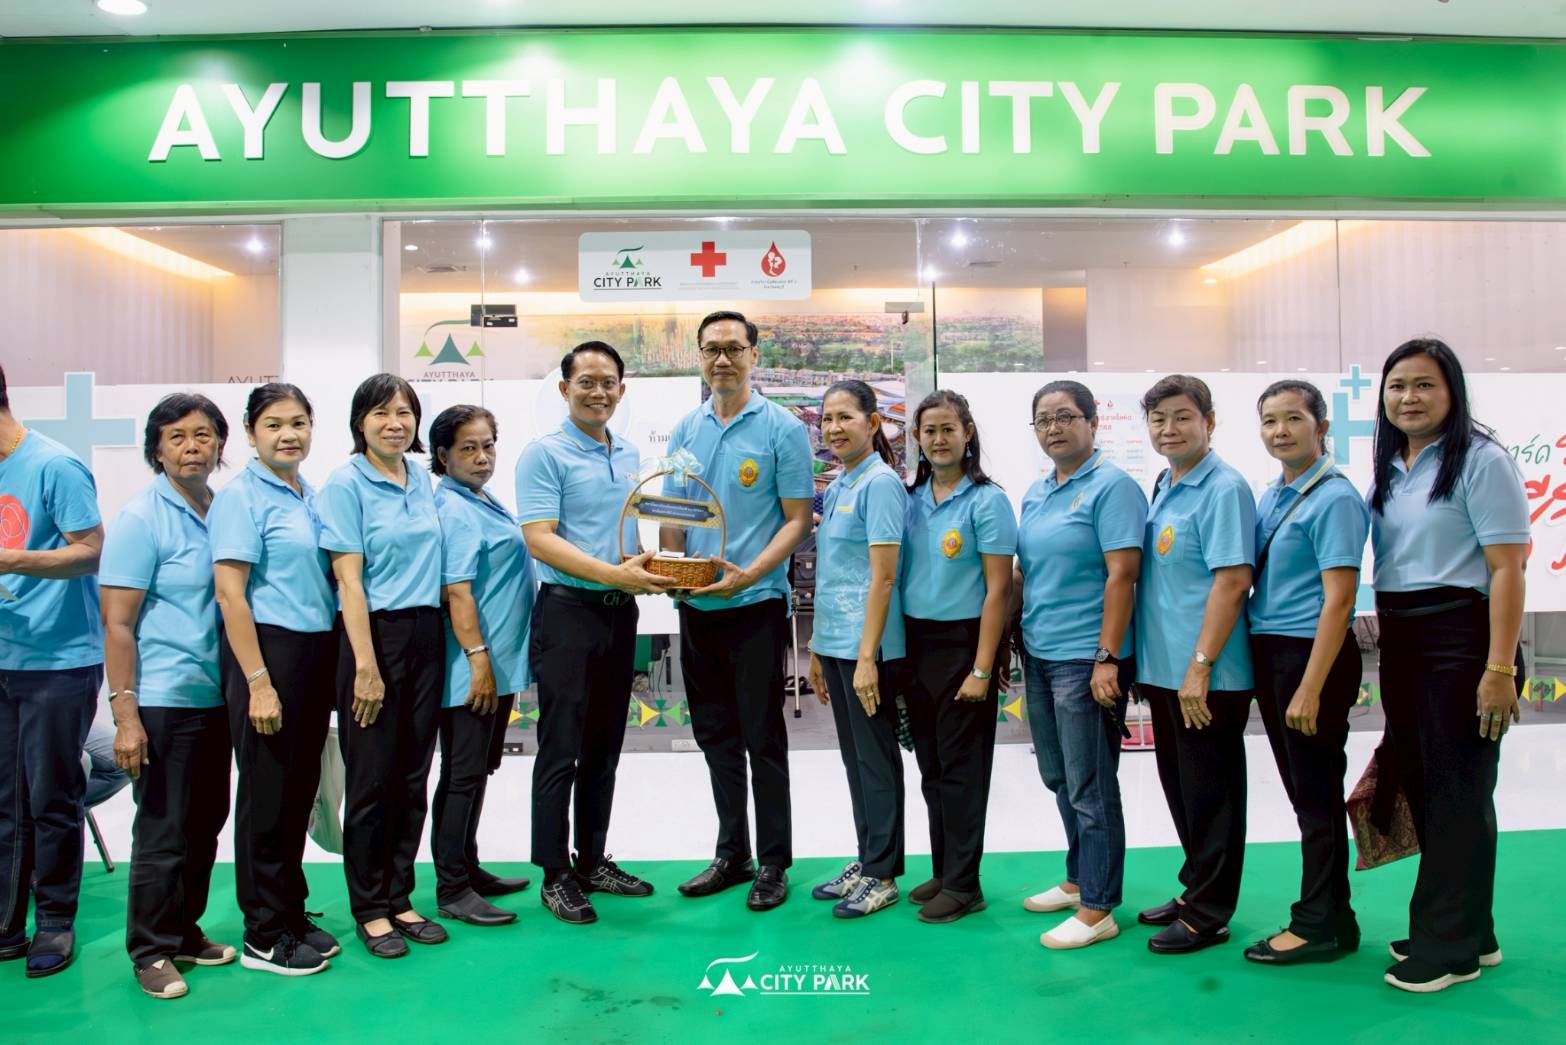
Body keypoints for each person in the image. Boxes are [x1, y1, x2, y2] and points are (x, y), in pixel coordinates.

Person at [1369, 339, 1528, 993]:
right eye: (1397, 385)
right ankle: (1471, 930)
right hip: (1403, 638)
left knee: (1458, 790)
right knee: (1432, 788)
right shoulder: (1394, 465)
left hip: (1463, 639)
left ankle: (1449, 950)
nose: (1409, 397)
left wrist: (1499, 668)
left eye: (1424, 384)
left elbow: (1507, 568)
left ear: (1452, 391)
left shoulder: (1482, 460)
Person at [661, 311, 812, 913]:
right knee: (715, 735)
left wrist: (752, 573)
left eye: (732, 348)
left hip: (755, 605)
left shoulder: (781, 428)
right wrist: (672, 570)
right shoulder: (685, 429)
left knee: (761, 736)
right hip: (697, 607)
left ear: (754, 354)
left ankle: (774, 862)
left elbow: (797, 519)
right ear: (699, 357)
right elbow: (674, 512)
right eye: (710, 350)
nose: (721, 359)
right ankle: (733, 855)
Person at [518, 341, 672, 925]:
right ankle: (555, 874)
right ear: (564, 389)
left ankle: (592, 861)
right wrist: (614, 574)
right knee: (561, 747)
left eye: (608, 382)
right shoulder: (544, 454)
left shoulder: (628, 452)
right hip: (567, 614)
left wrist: (647, 566)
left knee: (605, 746)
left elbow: (623, 534)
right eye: (586, 381)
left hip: (618, 613)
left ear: (622, 390)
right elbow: (540, 538)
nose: (598, 392)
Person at [101, 393, 237, 999]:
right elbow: (118, 624)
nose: (191, 447)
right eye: (177, 437)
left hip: (217, 697)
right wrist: (126, 713)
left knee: (206, 823)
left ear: (220, 444)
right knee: (162, 829)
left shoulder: (222, 509)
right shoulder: (141, 517)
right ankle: (150, 950)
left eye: (203, 435)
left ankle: (184, 930)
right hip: (162, 700)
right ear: (157, 449)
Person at [210, 383, 339, 976]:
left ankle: (290, 910)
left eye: (299, 423)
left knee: (297, 792)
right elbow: (230, 595)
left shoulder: (309, 494)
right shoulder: (241, 497)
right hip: (267, 654)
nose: (289, 435)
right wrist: (259, 682)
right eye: (274, 424)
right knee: (266, 795)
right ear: (250, 432)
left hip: (313, 652)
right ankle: (263, 932)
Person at [317, 374, 446, 959]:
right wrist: (366, 666)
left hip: (426, 634)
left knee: (413, 777)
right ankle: (369, 908)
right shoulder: (345, 484)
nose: (395, 424)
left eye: (404, 413)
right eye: (380, 413)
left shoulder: (422, 479)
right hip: (372, 637)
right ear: (359, 422)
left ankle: (400, 895)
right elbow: (349, 582)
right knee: (370, 779)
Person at [1243, 380, 1369, 966]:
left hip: (1310, 656)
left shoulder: (1335, 498)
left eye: (1293, 418)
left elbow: (1339, 600)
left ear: (1321, 426)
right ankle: (1336, 918)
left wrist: (1311, 687)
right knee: (1306, 794)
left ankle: (1315, 923)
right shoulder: (1274, 495)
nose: (1280, 431)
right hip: (1274, 653)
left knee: (1316, 796)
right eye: (1270, 421)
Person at [1016, 381, 1145, 950]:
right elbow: (1028, 573)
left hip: (1085, 657)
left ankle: (1099, 904)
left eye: (1066, 416)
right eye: (1043, 419)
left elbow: (1123, 575)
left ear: (1093, 422)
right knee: (1059, 775)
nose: (1054, 428)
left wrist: (1107, 657)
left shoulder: (1113, 487)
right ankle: (1077, 878)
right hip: (1039, 652)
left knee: (1090, 783)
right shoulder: (1037, 491)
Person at [1132, 374, 1257, 955]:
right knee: (1182, 789)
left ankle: (1210, 912)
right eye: (1158, 419)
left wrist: (1201, 665)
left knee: (1212, 794)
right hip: (1165, 671)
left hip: (1207, 675)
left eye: (1182, 417)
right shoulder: (1166, 483)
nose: (1169, 429)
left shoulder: (1223, 488)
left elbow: (1232, 581)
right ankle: (1194, 888)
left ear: (1209, 421)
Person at [0, 363, 105, 979]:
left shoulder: (53, 465)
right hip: (4, 654)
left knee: (52, 798)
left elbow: (90, 552)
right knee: (6, 800)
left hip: (59, 660)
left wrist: (11, 559)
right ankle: (6, 923)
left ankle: (56, 921)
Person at [899, 390, 1015, 924]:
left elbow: (999, 591)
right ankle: (945, 869)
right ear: (917, 438)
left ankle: (966, 885)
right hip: (916, 646)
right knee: (931, 768)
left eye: (949, 428)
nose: (939, 439)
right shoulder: (910, 499)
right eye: (930, 430)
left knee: (963, 771)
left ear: (968, 433)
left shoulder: (987, 501)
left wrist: (982, 667)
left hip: (964, 646)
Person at [428, 405, 536, 928]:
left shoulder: (481, 498)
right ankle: (452, 887)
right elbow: (457, 591)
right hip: (472, 667)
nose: (481, 457)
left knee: (476, 772)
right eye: (467, 448)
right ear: (442, 455)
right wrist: (478, 660)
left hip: (499, 662)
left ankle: (467, 867)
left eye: (488, 445)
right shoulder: (452, 507)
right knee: (462, 774)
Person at [805, 379, 908, 919]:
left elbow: (883, 578)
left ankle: (883, 874)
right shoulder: (843, 482)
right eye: (827, 418)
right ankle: (869, 858)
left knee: (875, 760)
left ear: (873, 422)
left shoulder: (881, 484)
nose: (833, 427)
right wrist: (818, 650)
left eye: (845, 417)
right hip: (838, 644)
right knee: (855, 760)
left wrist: (867, 656)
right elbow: (834, 573)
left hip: (870, 650)